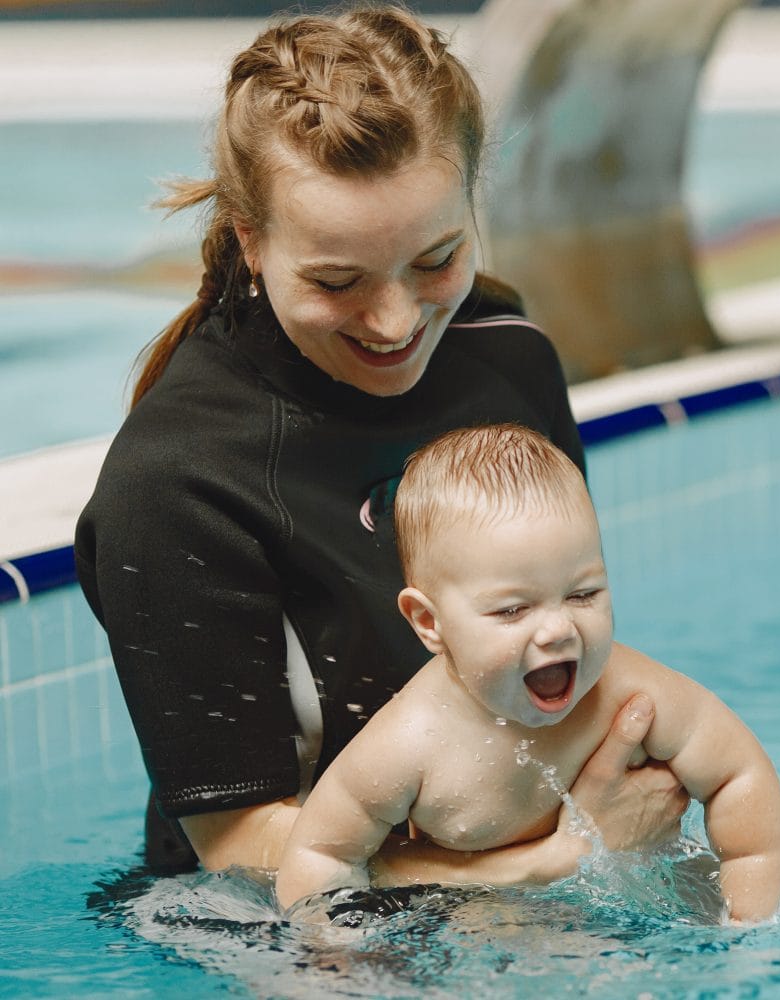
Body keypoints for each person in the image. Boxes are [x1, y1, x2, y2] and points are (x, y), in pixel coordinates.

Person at [74, 5, 687, 885]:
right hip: (275, 935)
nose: (397, 322)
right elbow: (239, 850)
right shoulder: (177, 483)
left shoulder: (510, 360)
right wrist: (561, 859)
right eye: (337, 280)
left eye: (436, 258)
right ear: (251, 241)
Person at [275, 424, 780, 922]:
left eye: (583, 593)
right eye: (512, 611)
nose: (558, 629)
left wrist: (751, 919)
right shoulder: (409, 743)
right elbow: (320, 857)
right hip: (490, 934)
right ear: (430, 623)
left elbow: (738, 775)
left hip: (648, 909)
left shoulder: (631, 691)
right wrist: (335, 959)